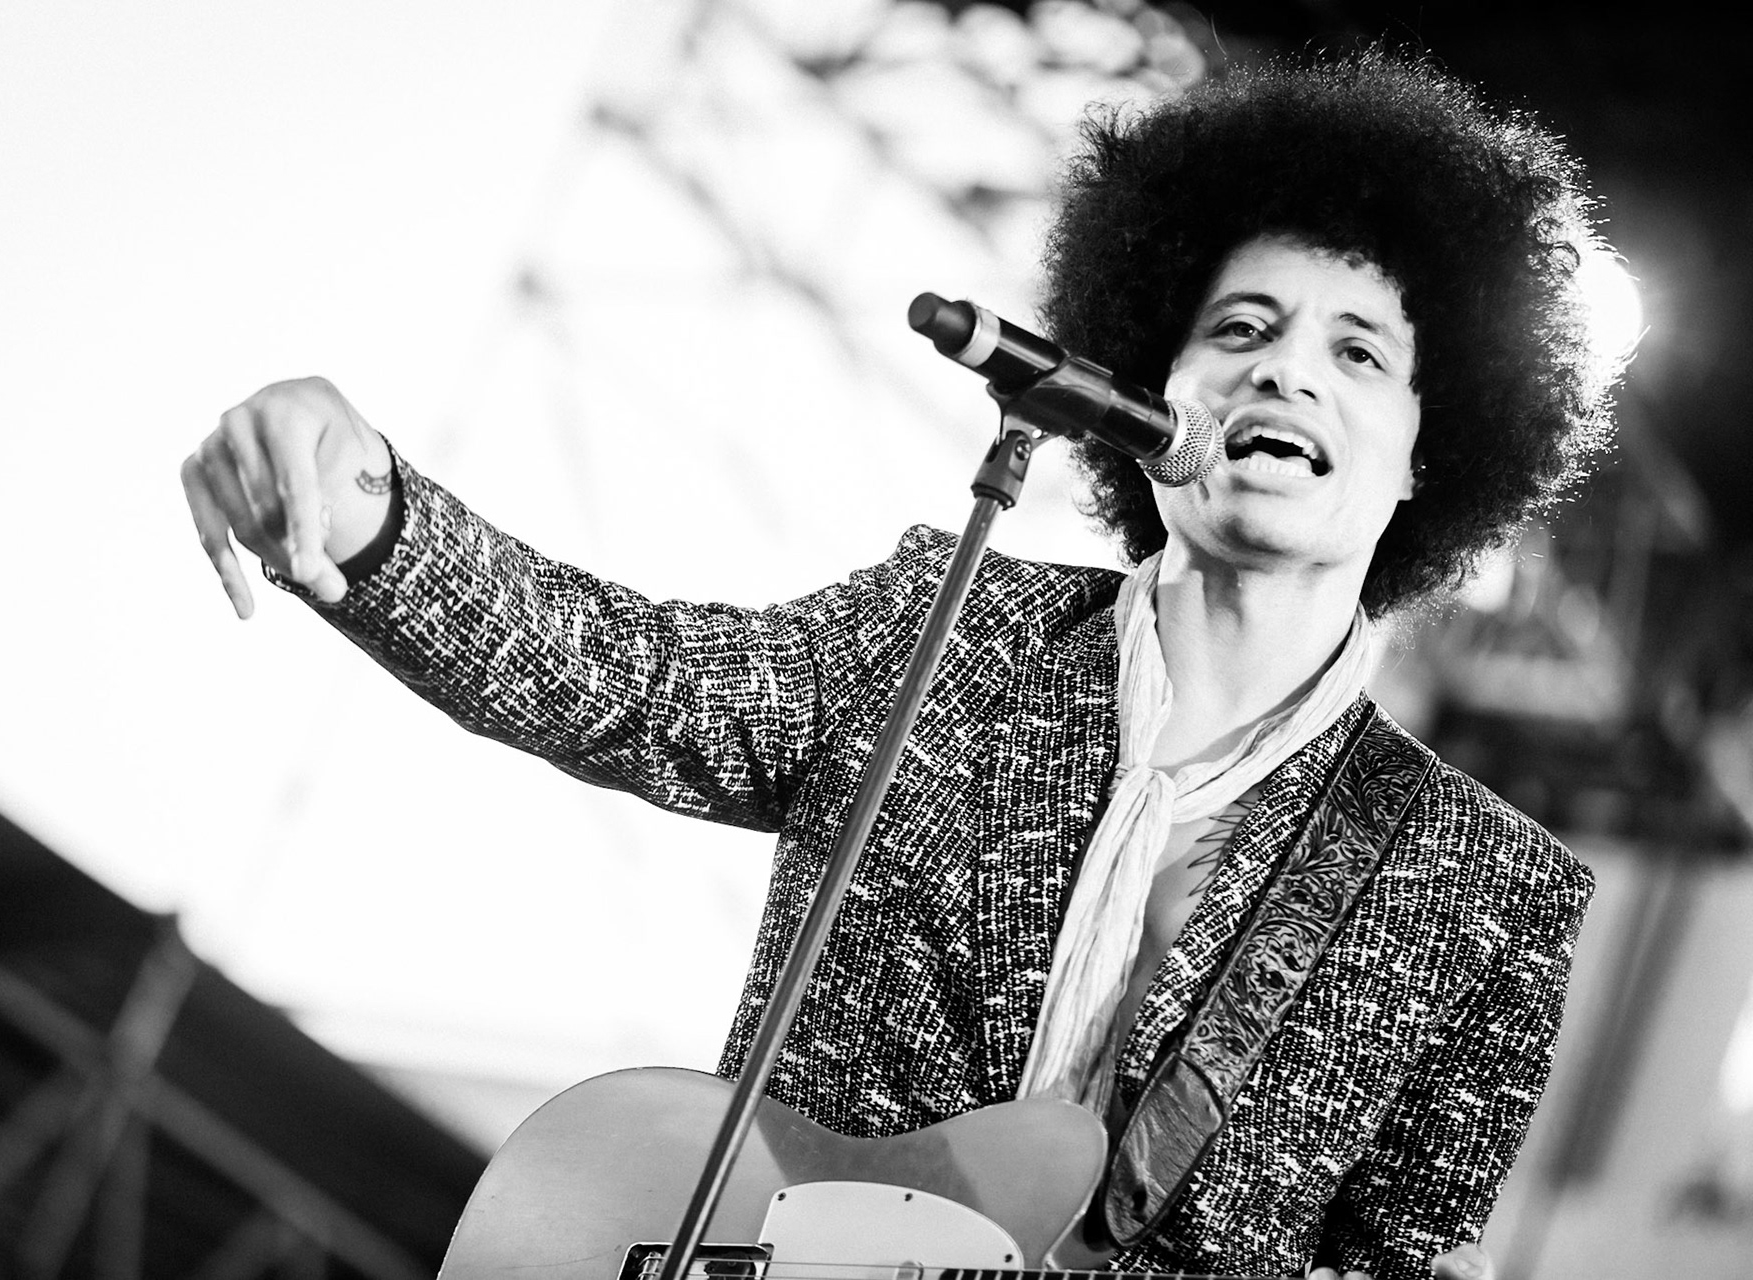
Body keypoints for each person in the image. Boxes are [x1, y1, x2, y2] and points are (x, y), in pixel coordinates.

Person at [179, 48, 1619, 1280]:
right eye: (1238, 329)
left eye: (1359, 354)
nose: (1286, 371)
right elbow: (630, 680)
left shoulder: (1485, 894)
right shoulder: (940, 626)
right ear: (1150, 390)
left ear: (1435, 451)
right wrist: (368, 509)